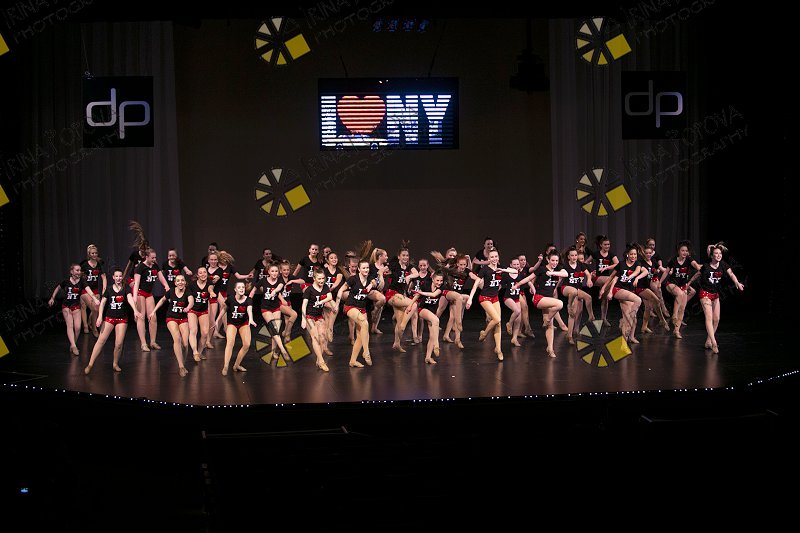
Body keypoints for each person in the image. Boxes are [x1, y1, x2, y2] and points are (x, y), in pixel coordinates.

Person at [84, 267, 139, 374]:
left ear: (122, 277)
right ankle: (90, 364)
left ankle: (115, 363)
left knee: (118, 344)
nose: (118, 278)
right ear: (113, 277)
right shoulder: (109, 289)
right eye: (116, 276)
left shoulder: (126, 288)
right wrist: (100, 316)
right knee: (101, 341)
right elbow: (102, 303)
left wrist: (135, 310)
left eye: (120, 276)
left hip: (122, 319)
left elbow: (130, 299)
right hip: (109, 318)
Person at [467, 248, 517, 361]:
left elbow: (515, 272)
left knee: (498, 324)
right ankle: (484, 334)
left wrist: (502, 270)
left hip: (495, 298)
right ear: (488, 259)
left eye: (496, 256)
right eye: (492, 257)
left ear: (498, 257)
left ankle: (498, 349)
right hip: (484, 297)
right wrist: (470, 299)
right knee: (497, 319)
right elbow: (475, 285)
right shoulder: (484, 269)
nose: (494, 259)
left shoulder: (501, 268)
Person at [514, 251, 567, 357]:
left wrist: (552, 273)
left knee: (550, 326)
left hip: (548, 299)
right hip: (539, 298)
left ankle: (550, 349)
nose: (555, 263)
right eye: (552, 260)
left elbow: (565, 274)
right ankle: (547, 320)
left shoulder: (559, 270)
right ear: (548, 260)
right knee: (560, 304)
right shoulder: (542, 269)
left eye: (556, 261)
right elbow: (529, 278)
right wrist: (517, 285)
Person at [698, 242, 745, 354]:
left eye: (720, 253)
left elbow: (731, 274)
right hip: (705, 293)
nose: (719, 255)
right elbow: (697, 274)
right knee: (709, 318)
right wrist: (689, 283)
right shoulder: (706, 265)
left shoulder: (723, 264)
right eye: (716, 253)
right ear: (711, 255)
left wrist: (737, 283)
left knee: (716, 319)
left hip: (715, 295)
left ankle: (708, 341)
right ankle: (714, 342)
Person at [49, 263, 99, 356]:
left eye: (80, 270)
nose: (79, 272)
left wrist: (95, 299)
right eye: (77, 270)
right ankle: (74, 345)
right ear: (71, 271)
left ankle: (73, 344)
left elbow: (89, 290)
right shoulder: (66, 281)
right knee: (70, 325)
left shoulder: (82, 281)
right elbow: (58, 288)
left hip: (76, 306)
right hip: (66, 306)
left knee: (78, 327)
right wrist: (52, 298)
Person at [150, 274, 194, 377]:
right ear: (175, 283)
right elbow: (162, 300)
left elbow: (191, 301)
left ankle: (183, 363)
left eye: (182, 280)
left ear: (185, 282)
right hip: (171, 318)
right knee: (177, 338)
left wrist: (188, 308)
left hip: (183, 319)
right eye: (178, 281)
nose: (180, 282)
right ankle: (181, 366)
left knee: (185, 344)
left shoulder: (187, 291)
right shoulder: (171, 291)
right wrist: (153, 311)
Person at [600, 244, 644, 345]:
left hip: (630, 291)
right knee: (636, 304)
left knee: (632, 318)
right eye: (631, 254)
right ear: (627, 254)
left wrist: (632, 277)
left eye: (635, 254)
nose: (633, 256)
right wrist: (604, 289)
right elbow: (612, 277)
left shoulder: (637, 263)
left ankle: (631, 337)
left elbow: (637, 271)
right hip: (619, 290)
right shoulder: (621, 264)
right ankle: (624, 339)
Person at [337, 260, 377, 368]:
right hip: (350, 306)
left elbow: (376, 281)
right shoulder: (353, 279)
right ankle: (366, 352)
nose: (366, 270)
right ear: (359, 269)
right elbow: (341, 290)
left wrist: (372, 284)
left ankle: (353, 361)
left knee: (361, 335)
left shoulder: (370, 279)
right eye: (363, 268)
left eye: (367, 268)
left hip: (362, 308)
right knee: (365, 323)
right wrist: (336, 304)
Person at [249, 263, 291, 361]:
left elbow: (279, 287)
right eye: (272, 271)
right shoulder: (263, 280)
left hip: (276, 307)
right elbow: (253, 290)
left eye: (276, 271)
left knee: (276, 331)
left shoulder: (280, 280)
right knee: (274, 328)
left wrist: (274, 291)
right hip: (265, 308)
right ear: (268, 272)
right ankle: (283, 350)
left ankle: (273, 352)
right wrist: (248, 301)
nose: (274, 273)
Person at [131, 248, 170, 351]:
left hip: (149, 294)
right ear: (146, 257)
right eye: (152, 258)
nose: (154, 259)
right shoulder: (140, 267)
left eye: (155, 257)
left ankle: (153, 342)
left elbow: (161, 278)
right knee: (141, 317)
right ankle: (143, 344)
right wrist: (134, 298)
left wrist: (166, 286)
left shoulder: (155, 266)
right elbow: (136, 283)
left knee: (153, 317)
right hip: (140, 293)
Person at [663, 240, 701, 339]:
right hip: (671, 284)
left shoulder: (688, 259)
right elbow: (666, 272)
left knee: (682, 309)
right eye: (683, 250)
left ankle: (676, 330)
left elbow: (695, 265)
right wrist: (659, 283)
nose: (685, 252)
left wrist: (699, 267)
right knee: (679, 294)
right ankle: (674, 315)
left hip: (683, 286)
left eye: (686, 251)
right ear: (679, 251)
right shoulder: (673, 260)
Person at [406, 271, 444, 364]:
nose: (439, 282)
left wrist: (421, 292)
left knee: (432, 335)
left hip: (432, 312)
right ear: (433, 279)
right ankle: (436, 345)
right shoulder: (426, 285)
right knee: (436, 320)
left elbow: (434, 295)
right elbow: (417, 296)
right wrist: (410, 305)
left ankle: (428, 357)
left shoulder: (441, 287)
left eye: (441, 281)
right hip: (423, 310)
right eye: (437, 280)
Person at [301, 268, 334, 372]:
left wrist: (320, 302)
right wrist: (303, 319)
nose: (321, 281)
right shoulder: (309, 290)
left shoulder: (325, 287)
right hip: (309, 316)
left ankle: (319, 360)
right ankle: (322, 361)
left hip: (319, 316)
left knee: (323, 338)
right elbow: (304, 305)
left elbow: (329, 297)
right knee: (315, 337)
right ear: (314, 278)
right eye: (319, 279)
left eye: (323, 278)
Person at [221, 281, 256, 376]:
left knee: (247, 344)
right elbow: (224, 308)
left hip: (243, 323)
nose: (241, 289)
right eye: (239, 287)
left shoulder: (248, 299)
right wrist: (217, 320)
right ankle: (226, 366)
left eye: (243, 287)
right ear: (235, 289)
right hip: (232, 323)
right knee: (230, 342)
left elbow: (249, 309)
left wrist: (251, 319)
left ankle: (236, 365)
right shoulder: (231, 299)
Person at [560, 247, 594, 344]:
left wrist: (589, 279)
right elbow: (560, 278)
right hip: (567, 288)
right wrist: (554, 289)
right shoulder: (565, 266)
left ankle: (590, 317)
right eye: (572, 255)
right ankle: (570, 335)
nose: (574, 257)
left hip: (578, 289)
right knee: (573, 311)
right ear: (568, 257)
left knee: (587, 300)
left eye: (575, 255)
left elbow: (588, 274)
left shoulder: (580, 264)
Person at [187, 266, 216, 361]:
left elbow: (210, 288)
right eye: (200, 273)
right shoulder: (192, 285)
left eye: (204, 272)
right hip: (192, 310)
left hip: (203, 311)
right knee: (193, 330)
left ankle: (199, 352)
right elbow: (189, 297)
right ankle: (195, 352)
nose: (203, 274)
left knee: (205, 333)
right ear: (197, 275)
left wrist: (211, 293)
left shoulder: (209, 283)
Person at [79, 244, 106, 337]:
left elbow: (104, 277)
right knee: (89, 307)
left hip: (95, 290)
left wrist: (104, 289)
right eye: (92, 253)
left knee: (96, 309)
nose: (94, 255)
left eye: (96, 253)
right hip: (85, 289)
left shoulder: (99, 264)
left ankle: (91, 323)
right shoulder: (84, 265)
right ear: (89, 254)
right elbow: (82, 279)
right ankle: (89, 327)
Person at [593, 236, 620, 326]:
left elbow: (617, 264)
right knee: (612, 280)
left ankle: (603, 319)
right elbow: (586, 262)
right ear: (601, 245)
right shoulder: (596, 254)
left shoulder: (611, 254)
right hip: (597, 278)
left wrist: (607, 267)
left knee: (605, 300)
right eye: (605, 244)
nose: (607, 246)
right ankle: (603, 291)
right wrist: (590, 272)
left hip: (606, 279)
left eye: (608, 244)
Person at [501, 258, 524, 347]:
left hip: (516, 298)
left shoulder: (520, 275)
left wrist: (532, 288)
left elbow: (527, 281)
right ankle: (509, 324)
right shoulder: (506, 275)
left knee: (518, 319)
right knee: (517, 311)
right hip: (508, 298)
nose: (516, 266)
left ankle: (514, 338)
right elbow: (500, 285)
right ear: (510, 265)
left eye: (518, 264)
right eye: (514, 264)